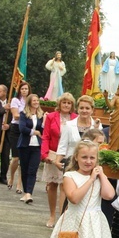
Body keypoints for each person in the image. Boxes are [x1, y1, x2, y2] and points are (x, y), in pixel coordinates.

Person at [41, 93, 77, 228]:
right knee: (52, 185)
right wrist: (45, 155)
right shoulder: (51, 117)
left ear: (72, 105)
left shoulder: (75, 118)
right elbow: (46, 136)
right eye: (64, 102)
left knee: (65, 185)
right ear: (60, 104)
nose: (66, 105)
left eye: (69, 103)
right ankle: (52, 215)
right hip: (54, 152)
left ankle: (62, 217)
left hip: (69, 155)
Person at [55, 95, 101, 170]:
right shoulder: (68, 125)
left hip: (90, 165)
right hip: (71, 163)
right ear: (77, 109)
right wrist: (57, 161)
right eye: (81, 108)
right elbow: (62, 145)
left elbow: (100, 146)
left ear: (92, 110)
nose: (84, 111)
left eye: (87, 108)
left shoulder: (97, 125)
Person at [17, 94, 44, 205]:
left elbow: (43, 129)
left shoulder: (41, 115)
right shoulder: (24, 114)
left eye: (37, 100)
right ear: (29, 102)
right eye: (34, 100)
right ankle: (25, 192)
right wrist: (34, 132)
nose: (36, 102)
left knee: (32, 170)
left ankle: (29, 193)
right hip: (24, 145)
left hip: (37, 146)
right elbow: (22, 128)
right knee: (25, 169)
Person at [8, 81, 31, 193]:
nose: (24, 91)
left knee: (23, 159)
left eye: (26, 89)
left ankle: (19, 183)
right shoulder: (15, 100)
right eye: (22, 89)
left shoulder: (31, 101)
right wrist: (27, 115)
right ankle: (11, 176)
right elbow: (16, 115)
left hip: (26, 130)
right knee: (16, 158)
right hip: (16, 129)